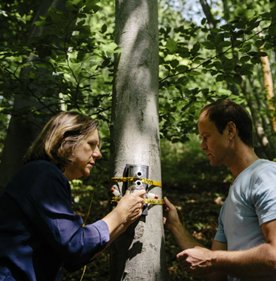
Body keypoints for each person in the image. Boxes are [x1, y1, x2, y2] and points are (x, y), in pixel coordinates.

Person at [0, 111, 145, 281]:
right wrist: (119, 214)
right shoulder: (43, 175)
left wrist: (124, 220)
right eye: (92, 144)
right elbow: (75, 245)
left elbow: (73, 259)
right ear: (67, 141)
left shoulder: (40, 175)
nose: (98, 154)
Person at [164, 99, 276, 281]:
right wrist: (175, 226)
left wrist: (213, 259)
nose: (202, 145)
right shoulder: (231, 199)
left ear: (230, 131)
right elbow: (216, 272)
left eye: (206, 136)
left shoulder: (265, 176)